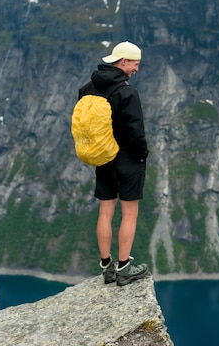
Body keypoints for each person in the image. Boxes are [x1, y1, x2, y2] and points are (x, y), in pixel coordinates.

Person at [77, 41, 150, 286]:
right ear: (123, 62)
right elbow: (135, 132)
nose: (137, 69)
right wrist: (142, 155)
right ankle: (124, 269)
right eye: (135, 64)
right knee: (129, 213)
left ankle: (106, 267)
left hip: (103, 156)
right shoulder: (127, 92)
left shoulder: (88, 88)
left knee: (105, 211)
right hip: (128, 159)